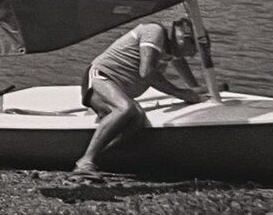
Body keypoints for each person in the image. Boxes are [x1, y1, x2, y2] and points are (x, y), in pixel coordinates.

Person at [74, 17, 203, 176]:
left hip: (117, 89)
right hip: (100, 77)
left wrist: (201, 93)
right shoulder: (154, 32)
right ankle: (85, 161)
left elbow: (184, 70)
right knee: (125, 109)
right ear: (183, 37)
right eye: (192, 47)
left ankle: (98, 160)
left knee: (137, 119)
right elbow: (146, 72)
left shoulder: (172, 49)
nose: (192, 54)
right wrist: (182, 94)